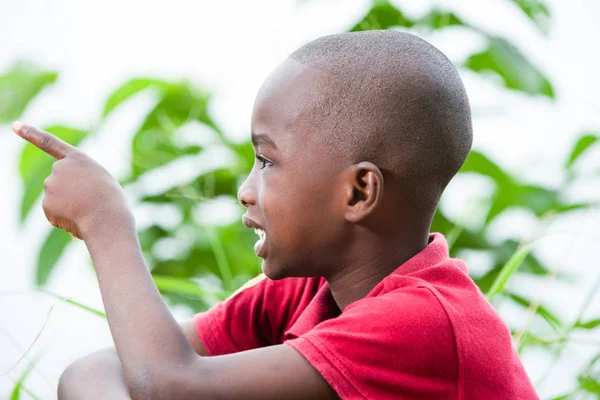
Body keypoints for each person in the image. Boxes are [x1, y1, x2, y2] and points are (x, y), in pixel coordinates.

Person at [13, 30, 539, 399]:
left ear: (359, 192)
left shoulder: (426, 324)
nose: (246, 190)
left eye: (267, 161)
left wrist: (106, 223)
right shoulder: (308, 292)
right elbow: (95, 372)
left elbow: (167, 385)